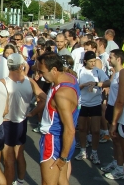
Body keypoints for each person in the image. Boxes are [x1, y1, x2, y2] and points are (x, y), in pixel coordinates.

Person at [36, 52, 81, 185]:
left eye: (42, 72)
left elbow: (70, 129)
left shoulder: (62, 94)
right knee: (62, 180)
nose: (41, 77)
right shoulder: (69, 78)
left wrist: (63, 157)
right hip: (62, 140)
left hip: (53, 141)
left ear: (54, 70)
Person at [2, 53, 46, 185]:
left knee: (8, 159)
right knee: (19, 154)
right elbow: (44, 98)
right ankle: (20, 181)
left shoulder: (3, 82)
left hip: (7, 123)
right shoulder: (30, 81)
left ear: (8, 66)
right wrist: (32, 113)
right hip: (22, 121)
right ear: (21, 66)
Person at [74, 51, 109, 164]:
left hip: (95, 103)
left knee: (95, 130)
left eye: (94, 61)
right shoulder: (79, 70)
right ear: (85, 61)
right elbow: (74, 86)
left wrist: (96, 83)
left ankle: (94, 153)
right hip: (82, 104)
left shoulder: (98, 71)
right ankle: (83, 151)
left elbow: (108, 82)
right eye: (91, 61)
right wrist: (83, 85)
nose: (93, 63)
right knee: (82, 129)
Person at [101, 49, 124, 180]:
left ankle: (120, 168)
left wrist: (116, 119)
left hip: (119, 112)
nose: (108, 59)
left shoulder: (123, 74)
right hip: (111, 108)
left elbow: (121, 99)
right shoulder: (115, 73)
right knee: (115, 141)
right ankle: (117, 163)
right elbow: (108, 84)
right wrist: (94, 83)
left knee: (118, 142)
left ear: (118, 59)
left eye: (111, 57)